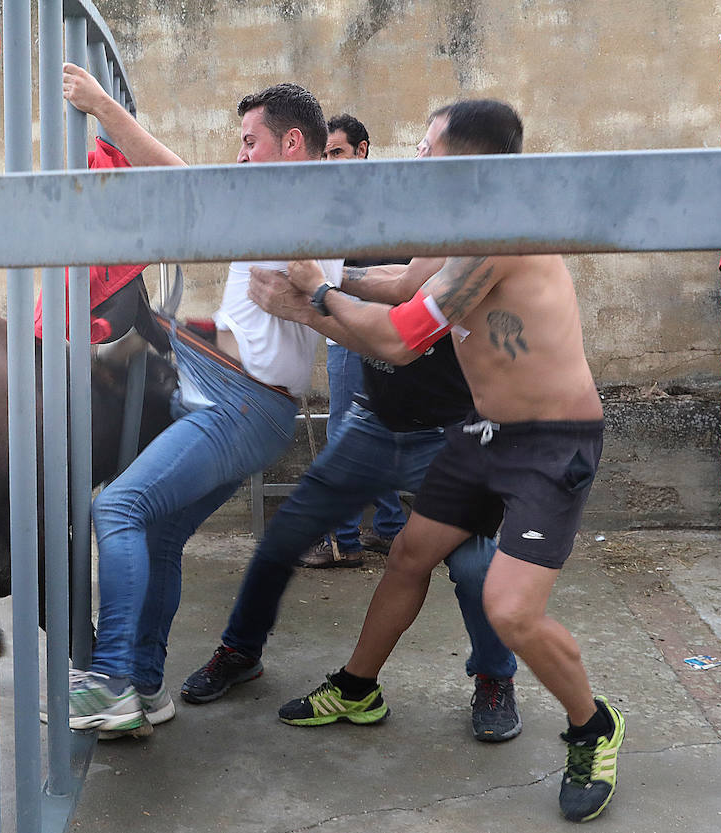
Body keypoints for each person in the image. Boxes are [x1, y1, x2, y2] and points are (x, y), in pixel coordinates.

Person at [261, 100, 624, 823]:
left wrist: (317, 297)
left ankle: (593, 725)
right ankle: (359, 687)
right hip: (486, 430)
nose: (417, 161)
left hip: (552, 442)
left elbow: (400, 338)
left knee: (510, 607)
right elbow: (400, 284)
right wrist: (333, 284)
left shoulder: (499, 235)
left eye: (427, 149)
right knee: (408, 554)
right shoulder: (462, 227)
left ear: (465, 161)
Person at [59, 61, 340, 736]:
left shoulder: (287, 201)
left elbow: (176, 174)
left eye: (250, 140)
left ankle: (114, 680)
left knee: (118, 507)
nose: (240, 154)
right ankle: (147, 687)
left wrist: (102, 107)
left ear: (290, 144)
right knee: (160, 532)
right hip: (243, 401)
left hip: (237, 404)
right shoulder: (305, 205)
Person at [180, 265, 523, 742]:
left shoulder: (459, 243)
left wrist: (314, 297)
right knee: (286, 535)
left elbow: (402, 329)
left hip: (453, 432)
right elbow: (356, 302)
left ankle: (494, 676)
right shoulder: (355, 227)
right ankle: (240, 650)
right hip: (375, 423)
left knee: (473, 566)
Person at [300, 113, 408, 568]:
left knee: (347, 431)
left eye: (337, 152)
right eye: (324, 155)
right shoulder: (366, 198)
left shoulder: (372, 202)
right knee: (370, 428)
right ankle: (388, 527)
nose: (329, 162)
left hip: (366, 326)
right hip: (368, 325)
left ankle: (343, 540)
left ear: (362, 149)